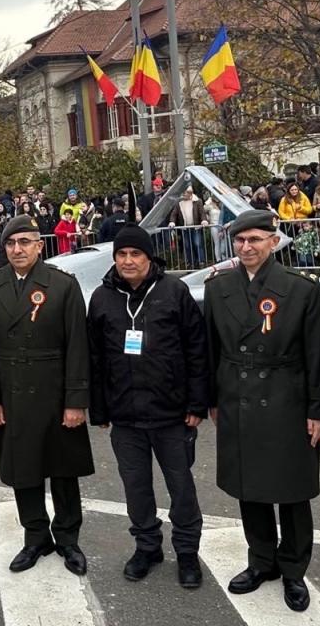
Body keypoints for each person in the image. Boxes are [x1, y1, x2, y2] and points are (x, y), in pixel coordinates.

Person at [203, 209, 320, 613]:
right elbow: (210, 349)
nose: (247, 247)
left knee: (292, 489)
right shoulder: (219, 287)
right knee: (249, 485)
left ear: (274, 242)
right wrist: (211, 397)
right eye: (240, 241)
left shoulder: (301, 288)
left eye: (256, 239)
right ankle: (261, 561)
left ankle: (293, 568)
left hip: (287, 397)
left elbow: (317, 353)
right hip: (237, 395)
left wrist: (317, 408)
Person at [87, 226, 209, 588]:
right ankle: (147, 546)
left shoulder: (174, 291)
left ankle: (187, 552)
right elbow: (95, 358)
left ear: (148, 257)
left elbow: (197, 350)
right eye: (121, 255)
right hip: (125, 416)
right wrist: (100, 409)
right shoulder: (101, 298)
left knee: (182, 488)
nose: (127, 261)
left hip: (171, 414)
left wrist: (196, 403)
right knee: (136, 488)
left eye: (135, 254)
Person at [0, 215, 94, 576]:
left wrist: (76, 401)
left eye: (25, 242)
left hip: (54, 391)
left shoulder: (62, 285)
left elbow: (78, 345)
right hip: (12, 393)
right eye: (11, 244)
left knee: (63, 469)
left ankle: (68, 539)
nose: (17, 249)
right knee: (23, 470)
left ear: (39, 245)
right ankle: (35, 537)